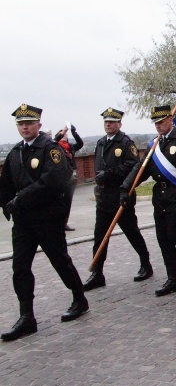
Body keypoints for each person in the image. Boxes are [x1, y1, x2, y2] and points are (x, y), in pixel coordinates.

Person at [0, 104, 88, 341]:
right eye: (20, 124)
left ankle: (79, 298)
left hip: (47, 218)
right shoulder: (15, 152)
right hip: (24, 222)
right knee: (20, 268)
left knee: (60, 261)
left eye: (28, 123)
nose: (24, 127)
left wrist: (20, 198)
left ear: (39, 125)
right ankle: (26, 317)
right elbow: (6, 182)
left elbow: (54, 180)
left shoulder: (50, 150)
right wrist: (6, 204)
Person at [121, 105, 176, 297]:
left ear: (170, 119)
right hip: (160, 199)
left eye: (161, 122)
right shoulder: (154, 145)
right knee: (163, 239)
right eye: (156, 123)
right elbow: (140, 169)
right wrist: (126, 187)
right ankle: (173, 279)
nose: (158, 126)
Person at [83, 108, 153, 291]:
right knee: (100, 237)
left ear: (119, 124)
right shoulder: (100, 143)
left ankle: (146, 263)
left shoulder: (125, 143)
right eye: (106, 122)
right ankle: (97, 273)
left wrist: (110, 174)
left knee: (132, 232)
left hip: (121, 196)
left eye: (112, 122)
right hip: (104, 198)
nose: (108, 125)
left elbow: (132, 166)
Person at [54, 125, 84, 231]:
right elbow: (53, 141)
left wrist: (74, 132)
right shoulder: (56, 147)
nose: (64, 136)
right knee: (60, 202)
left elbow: (80, 144)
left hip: (71, 178)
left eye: (66, 135)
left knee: (68, 201)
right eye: (62, 134)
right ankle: (58, 223)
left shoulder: (70, 147)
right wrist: (61, 132)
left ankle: (64, 222)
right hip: (61, 179)